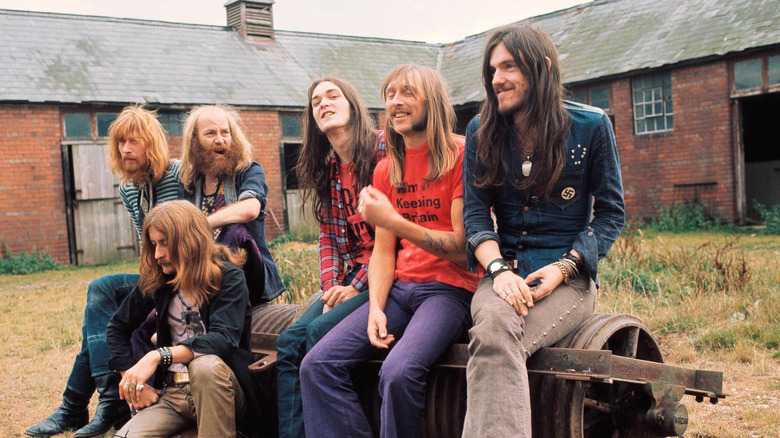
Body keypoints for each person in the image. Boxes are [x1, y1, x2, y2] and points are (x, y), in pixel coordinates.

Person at [461, 24, 625, 437]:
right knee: (495, 330)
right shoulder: (481, 132)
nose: (496, 79)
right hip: (503, 274)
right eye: (493, 69)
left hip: (567, 278)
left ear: (543, 68)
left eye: (509, 66)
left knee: (498, 341)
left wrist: (566, 267)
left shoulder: (590, 126)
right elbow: (476, 218)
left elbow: (610, 213)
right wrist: (499, 271)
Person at [299, 64, 480, 438]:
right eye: (390, 94)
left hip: (449, 292)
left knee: (397, 373)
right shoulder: (386, 168)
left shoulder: (461, 154)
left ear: (434, 101)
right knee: (316, 365)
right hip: (399, 289)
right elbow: (383, 253)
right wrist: (376, 308)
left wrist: (395, 221)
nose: (396, 101)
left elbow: (465, 250)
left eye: (407, 93)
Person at [25, 106, 181, 438]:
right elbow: (145, 249)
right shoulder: (129, 190)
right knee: (102, 314)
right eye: (120, 142)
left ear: (151, 143)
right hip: (156, 280)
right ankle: (93, 404)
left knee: (103, 290)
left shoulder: (180, 175)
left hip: (184, 280)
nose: (125, 149)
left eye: (134, 141)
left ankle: (83, 404)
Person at [276, 77, 385, 438]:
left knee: (320, 333)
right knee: (289, 341)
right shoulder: (329, 168)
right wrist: (329, 288)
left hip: (390, 273)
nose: (323, 103)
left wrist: (354, 287)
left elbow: (396, 236)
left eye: (333, 95)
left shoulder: (384, 150)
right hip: (351, 276)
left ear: (353, 104)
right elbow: (328, 238)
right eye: (315, 100)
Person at [105, 200, 257, 437]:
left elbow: (222, 340)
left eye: (164, 243)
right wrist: (133, 380)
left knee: (205, 366)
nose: (157, 254)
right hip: (174, 394)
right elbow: (117, 327)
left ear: (189, 239)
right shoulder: (159, 280)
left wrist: (158, 355)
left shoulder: (228, 278)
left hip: (220, 389)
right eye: (154, 244)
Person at [178, 104, 284, 305]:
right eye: (210, 133)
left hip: (249, 274)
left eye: (225, 132)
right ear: (194, 142)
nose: (220, 139)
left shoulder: (248, 170)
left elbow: (251, 209)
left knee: (235, 231)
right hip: (201, 273)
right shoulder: (189, 184)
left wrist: (201, 224)